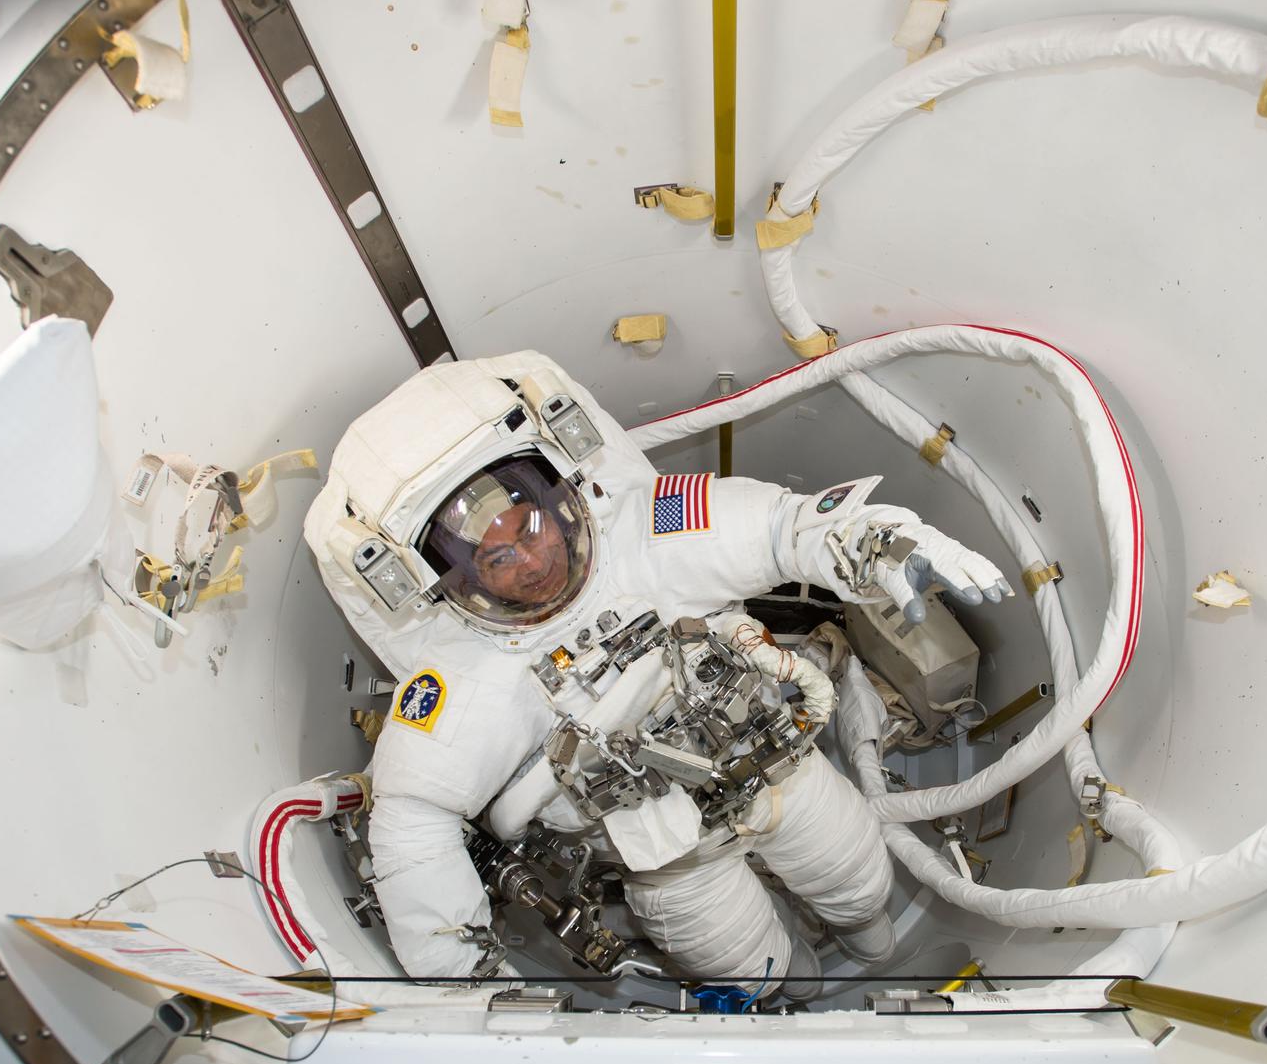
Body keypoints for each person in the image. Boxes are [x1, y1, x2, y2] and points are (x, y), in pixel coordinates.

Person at [305, 351, 1009, 997]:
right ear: (450, 582)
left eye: (528, 526)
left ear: (557, 492)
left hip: (778, 770)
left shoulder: (648, 531)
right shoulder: (465, 677)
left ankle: (866, 943)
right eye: (496, 560)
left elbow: (787, 526)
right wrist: (465, 986)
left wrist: (881, 541)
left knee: (861, 889)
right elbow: (411, 818)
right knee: (765, 976)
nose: (532, 561)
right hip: (671, 859)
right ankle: (803, 991)